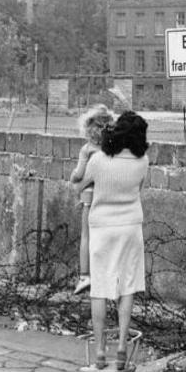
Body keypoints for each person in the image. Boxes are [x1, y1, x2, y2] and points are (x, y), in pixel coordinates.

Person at [73, 111, 149, 370]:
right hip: (131, 228)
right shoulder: (143, 161)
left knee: (101, 289)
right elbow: (139, 191)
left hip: (103, 228)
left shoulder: (99, 160)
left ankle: (100, 352)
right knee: (127, 286)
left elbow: (78, 185)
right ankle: (122, 348)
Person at [69, 105, 115, 295]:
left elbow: (79, 174)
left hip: (88, 197)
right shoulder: (112, 149)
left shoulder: (87, 149)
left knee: (86, 236)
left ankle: (84, 275)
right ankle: (105, 274)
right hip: (107, 196)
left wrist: (72, 177)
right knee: (105, 238)